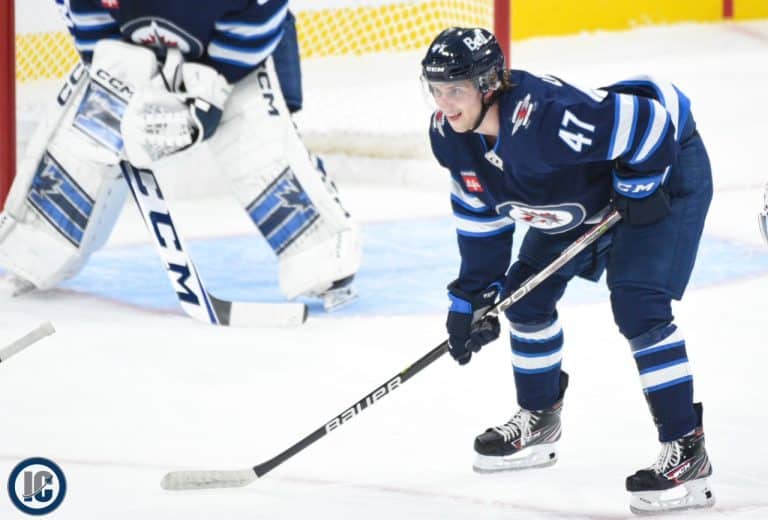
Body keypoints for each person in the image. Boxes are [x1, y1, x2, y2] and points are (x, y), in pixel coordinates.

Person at [422, 27, 714, 514]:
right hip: (585, 188)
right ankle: (539, 420)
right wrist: (472, 295)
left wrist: (638, 185)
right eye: (436, 90)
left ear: (489, 84)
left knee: (638, 304)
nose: (444, 104)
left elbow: (650, 122)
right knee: (524, 296)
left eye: (456, 89)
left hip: (666, 161)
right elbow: (479, 212)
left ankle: (687, 450)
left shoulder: (545, 121)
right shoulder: (450, 138)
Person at [0, 0, 360, 312]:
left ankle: (322, 255)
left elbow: (261, 16)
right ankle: (35, 249)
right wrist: (122, 77)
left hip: (232, 49)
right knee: (90, 130)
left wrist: (213, 83)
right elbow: (91, 31)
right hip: (132, 41)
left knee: (257, 149)